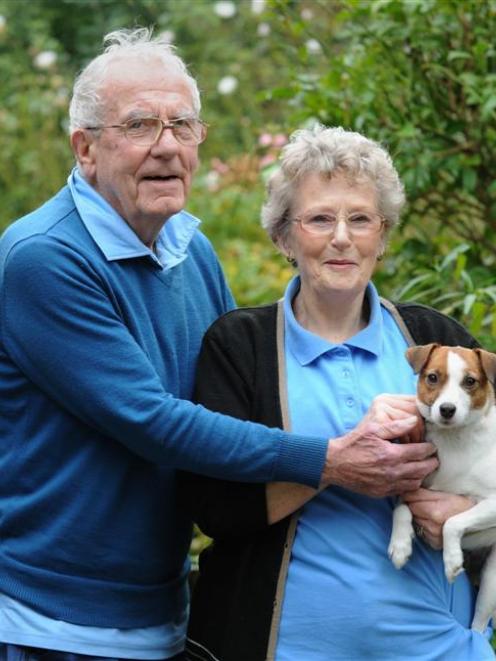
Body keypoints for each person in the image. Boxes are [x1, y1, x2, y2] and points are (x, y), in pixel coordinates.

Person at [0, 30, 439, 661]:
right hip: (57, 619)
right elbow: (149, 419)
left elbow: (238, 401)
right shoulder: (45, 258)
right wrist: (330, 460)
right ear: (86, 147)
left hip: (160, 611)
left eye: (183, 125)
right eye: (140, 124)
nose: (167, 146)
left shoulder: (188, 249)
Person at [180, 125, 495, 660]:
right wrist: (336, 462)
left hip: (438, 647)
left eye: (361, 219)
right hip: (287, 648)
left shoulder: (434, 344)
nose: (342, 237)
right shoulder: (241, 346)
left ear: (383, 234)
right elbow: (216, 509)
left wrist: (463, 510)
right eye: (320, 218)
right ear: (283, 236)